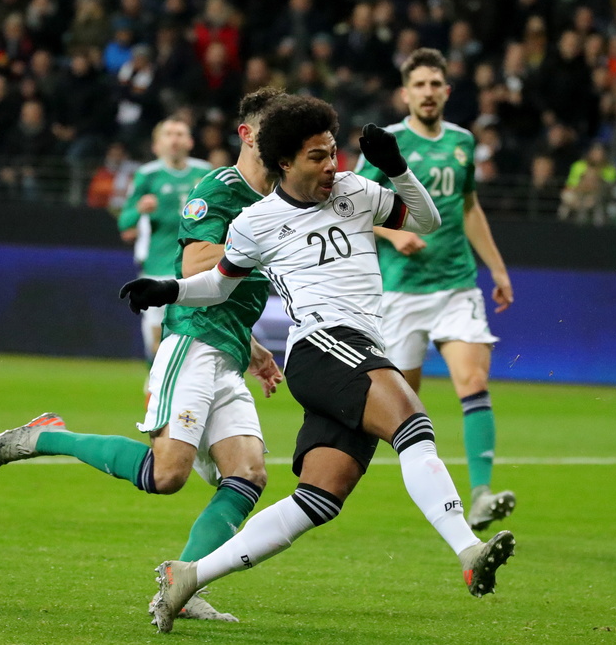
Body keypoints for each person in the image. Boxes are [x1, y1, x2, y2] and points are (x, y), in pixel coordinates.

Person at [120, 94, 516, 633]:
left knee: (317, 500)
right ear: (285, 161)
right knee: (414, 425)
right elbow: (216, 283)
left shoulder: (356, 190)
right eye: (316, 156)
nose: (331, 165)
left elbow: (427, 217)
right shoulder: (256, 222)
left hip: (356, 346)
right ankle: (469, 552)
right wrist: (168, 288)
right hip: (323, 344)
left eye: (333, 152)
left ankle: (187, 576)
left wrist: (397, 168)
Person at [0, 88, 289, 621]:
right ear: (247, 134)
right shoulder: (218, 189)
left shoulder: (276, 202)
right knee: (165, 476)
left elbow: (230, 285)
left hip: (230, 348)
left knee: (249, 476)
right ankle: (46, 434)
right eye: (274, 131)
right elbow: (196, 266)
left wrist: (255, 346)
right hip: (192, 343)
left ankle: (182, 585)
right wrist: (269, 246)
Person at [355, 48, 517, 531]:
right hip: (402, 294)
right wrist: (393, 232)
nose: (428, 92)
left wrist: (499, 270)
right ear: (405, 94)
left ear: (446, 91)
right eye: (419, 85)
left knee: (474, 381)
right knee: (401, 409)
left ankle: (482, 494)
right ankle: (338, 480)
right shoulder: (388, 144)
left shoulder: (463, 143)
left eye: (435, 84)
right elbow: (355, 206)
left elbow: (469, 207)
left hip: (455, 285)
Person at [118, 117, 211, 360]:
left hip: (195, 269)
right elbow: (124, 223)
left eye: (180, 134)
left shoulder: (206, 172)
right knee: (156, 343)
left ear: (190, 141)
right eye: (168, 134)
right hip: (157, 267)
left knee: (195, 342)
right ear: (156, 145)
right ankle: (155, 392)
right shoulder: (147, 175)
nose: (174, 139)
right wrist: (140, 208)